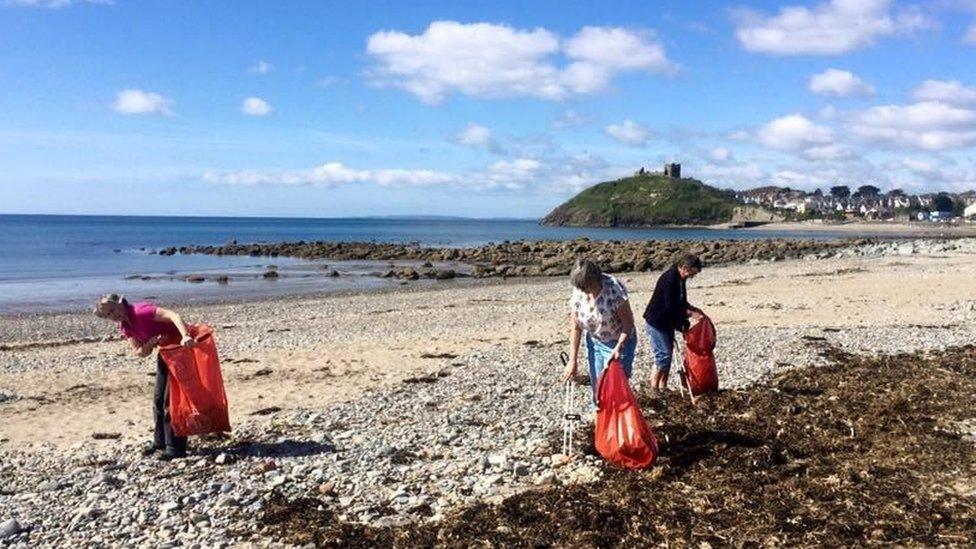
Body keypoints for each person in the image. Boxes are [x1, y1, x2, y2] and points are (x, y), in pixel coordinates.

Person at [93, 294, 195, 460]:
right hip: (166, 353)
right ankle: (159, 442)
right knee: (158, 400)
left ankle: (175, 448)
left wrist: (185, 335)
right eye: (108, 315)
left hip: (182, 350)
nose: (113, 316)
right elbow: (140, 352)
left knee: (171, 401)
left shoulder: (141, 312)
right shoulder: (125, 326)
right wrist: (152, 342)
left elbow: (173, 315)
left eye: (112, 310)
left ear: (120, 302)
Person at [564, 259, 638, 405]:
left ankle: (618, 419)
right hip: (594, 340)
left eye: (586, 286)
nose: (583, 290)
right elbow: (575, 326)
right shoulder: (579, 289)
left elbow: (628, 323)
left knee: (616, 386)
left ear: (595, 279)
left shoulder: (614, 289)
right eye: (580, 287)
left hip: (618, 341)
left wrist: (619, 346)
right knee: (597, 384)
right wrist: (573, 360)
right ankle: (599, 417)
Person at [643, 254, 703, 396]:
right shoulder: (670, 279)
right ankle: (653, 387)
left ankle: (663, 386)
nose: (692, 276)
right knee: (663, 355)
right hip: (657, 321)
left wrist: (692, 309)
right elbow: (671, 305)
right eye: (691, 272)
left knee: (669, 354)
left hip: (668, 320)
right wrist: (689, 314)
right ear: (684, 267)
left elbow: (681, 301)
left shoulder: (681, 279)